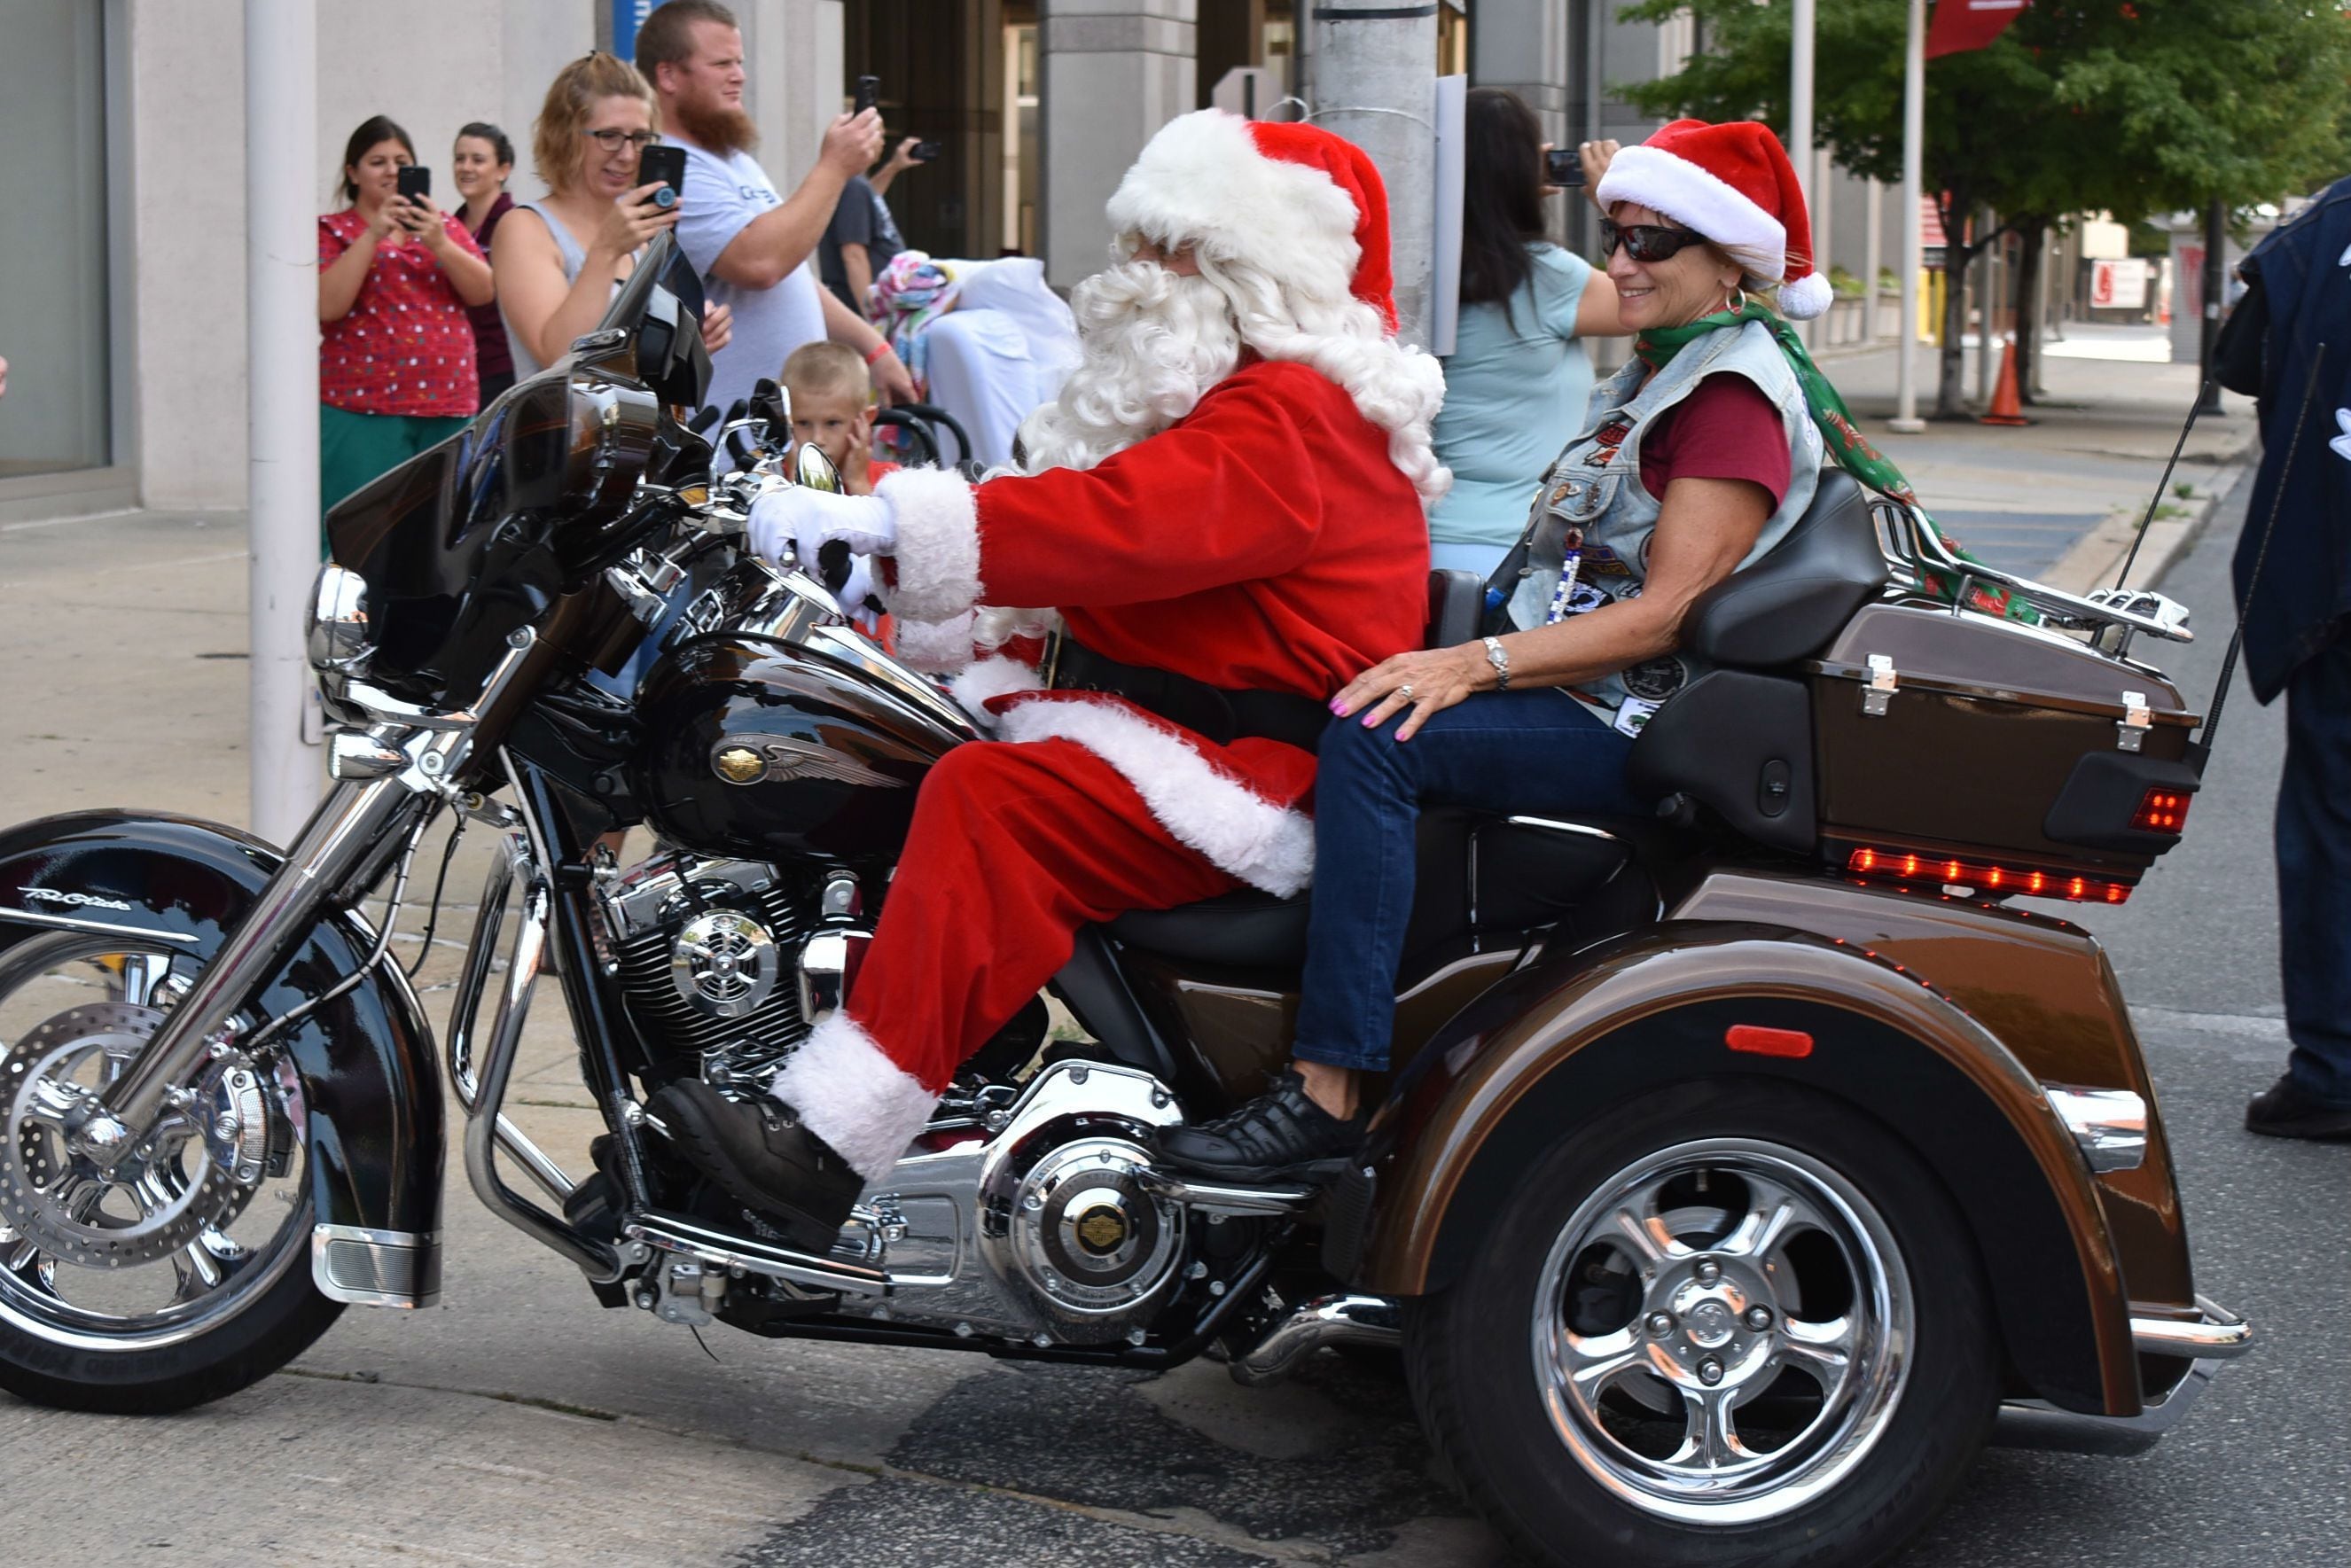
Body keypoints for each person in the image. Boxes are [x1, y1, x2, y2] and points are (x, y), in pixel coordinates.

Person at [645, 111, 1448, 1248]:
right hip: (1162, 723)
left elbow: (1117, 528)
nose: (1137, 277)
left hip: (1248, 771)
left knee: (988, 802)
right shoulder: (1231, 400)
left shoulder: (1293, 415)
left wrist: (878, 522)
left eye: (1169, 248)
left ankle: (825, 1145)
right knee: (882, 743)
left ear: (1248, 267)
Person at [1160, 119, 1886, 1182]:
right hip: (1586, 677)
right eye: (1617, 236)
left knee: (1378, 734)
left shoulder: (1730, 396)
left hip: (1629, 713)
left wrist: (1467, 666)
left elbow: (1665, 614)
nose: (1624, 263)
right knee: (1325, 669)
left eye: (1654, 244)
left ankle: (1327, 1088)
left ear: (1732, 261)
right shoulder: (1669, 366)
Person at [2214, 178, 2351, 1141]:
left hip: (2339, 571)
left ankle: (2336, 1067)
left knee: (2335, 818)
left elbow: (2241, 359)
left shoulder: (2324, 231)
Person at [633, 0, 914, 420]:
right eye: (722, 63)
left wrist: (873, 347)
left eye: (740, 62)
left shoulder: (731, 159)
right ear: (668, 75)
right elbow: (762, 262)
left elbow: (793, 272)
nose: (739, 76)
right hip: (731, 437)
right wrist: (835, 167)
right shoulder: (670, 170)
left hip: (783, 433)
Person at [1428, 88, 1628, 576]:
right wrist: (1616, 206)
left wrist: (1496, 180)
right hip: (1510, 550)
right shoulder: (1545, 278)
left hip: (1419, 541)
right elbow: (1662, 299)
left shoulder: (1418, 269)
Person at [493, 51, 730, 379]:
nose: (627, 154)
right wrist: (605, 251)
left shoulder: (639, 237)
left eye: (640, 137)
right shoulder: (526, 228)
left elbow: (642, 374)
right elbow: (560, 357)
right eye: (609, 136)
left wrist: (691, 345)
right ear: (564, 135)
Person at [317, 114, 496, 515]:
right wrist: (374, 234)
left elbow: (484, 291)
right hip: (362, 408)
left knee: (437, 527)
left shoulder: (442, 225)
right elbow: (329, 305)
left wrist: (439, 243)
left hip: (447, 404)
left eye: (401, 161)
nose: (392, 171)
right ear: (353, 172)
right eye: (377, 162)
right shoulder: (332, 230)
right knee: (360, 525)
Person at [452, 121, 519, 404]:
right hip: (461, 367)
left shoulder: (516, 224)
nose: (466, 167)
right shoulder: (448, 225)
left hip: (502, 367)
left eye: (478, 160)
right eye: (459, 159)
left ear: (503, 170)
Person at [781, 339, 894, 495]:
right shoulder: (774, 478)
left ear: (866, 420)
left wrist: (858, 482)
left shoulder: (889, 481)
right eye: (803, 423)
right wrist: (795, 477)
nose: (817, 439)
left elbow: (875, 520)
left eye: (832, 423)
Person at [817, 138, 915, 312]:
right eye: (878, 134)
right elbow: (853, 255)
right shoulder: (853, 185)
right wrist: (870, 311)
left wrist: (894, 166)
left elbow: (871, 199)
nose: (883, 142)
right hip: (858, 305)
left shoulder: (857, 187)